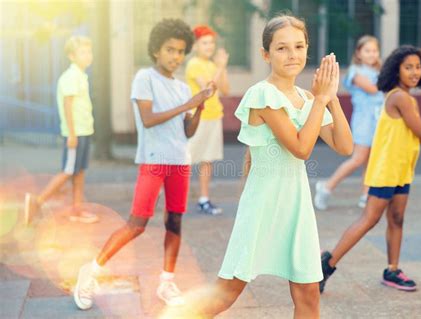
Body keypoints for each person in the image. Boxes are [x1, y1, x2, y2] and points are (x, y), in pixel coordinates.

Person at [165, 15, 353, 319]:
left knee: (307, 292)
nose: (292, 54)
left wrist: (330, 99)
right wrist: (320, 101)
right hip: (264, 202)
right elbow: (301, 149)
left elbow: (345, 146)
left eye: (298, 46)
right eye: (281, 48)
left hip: (297, 205)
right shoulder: (261, 95)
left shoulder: (308, 98)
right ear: (265, 54)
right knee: (227, 292)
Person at [73, 19, 216, 310]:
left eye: (180, 51)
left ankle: (167, 281)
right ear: (155, 50)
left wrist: (199, 105)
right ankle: (92, 271)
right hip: (153, 161)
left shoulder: (180, 88)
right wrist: (190, 103)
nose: (175, 56)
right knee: (137, 223)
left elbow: (187, 131)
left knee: (174, 221)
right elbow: (149, 120)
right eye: (169, 50)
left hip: (179, 161)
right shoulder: (144, 78)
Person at [319, 45, 421, 293]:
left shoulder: (408, 98)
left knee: (397, 219)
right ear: (396, 70)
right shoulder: (398, 97)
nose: (414, 72)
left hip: (401, 169)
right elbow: (420, 130)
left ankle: (392, 270)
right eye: (408, 67)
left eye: (418, 67)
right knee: (370, 219)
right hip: (386, 169)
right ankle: (327, 265)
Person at [24, 35, 99, 225]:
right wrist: (72, 134)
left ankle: (77, 209)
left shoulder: (81, 75)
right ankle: (37, 202)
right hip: (75, 133)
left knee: (80, 171)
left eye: (89, 51)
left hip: (85, 132)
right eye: (83, 52)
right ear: (72, 56)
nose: (88, 55)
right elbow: (68, 106)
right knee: (67, 171)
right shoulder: (71, 76)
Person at [314, 35, 384, 210]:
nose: (371, 54)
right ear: (359, 53)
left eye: (374, 50)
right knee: (358, 158)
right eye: (367, 50)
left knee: (371, 160)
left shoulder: (378, 72)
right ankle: (326, 186)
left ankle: (366, 194)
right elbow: (373, 89)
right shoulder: (356, 72)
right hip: (364, 121)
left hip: (378, 120)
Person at [185, 25, 230, 215]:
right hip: (198, 118)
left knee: (207, 160)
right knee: (185, 160)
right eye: (204, 43)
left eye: (211, 42)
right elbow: (208, 91)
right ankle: (174, 196)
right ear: (195, 45)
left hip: (214, 117)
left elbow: (225, 90)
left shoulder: (213, 66)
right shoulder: (194, 64)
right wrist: (220, 67)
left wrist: (222, 68)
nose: (209, 46)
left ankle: (204, 200)